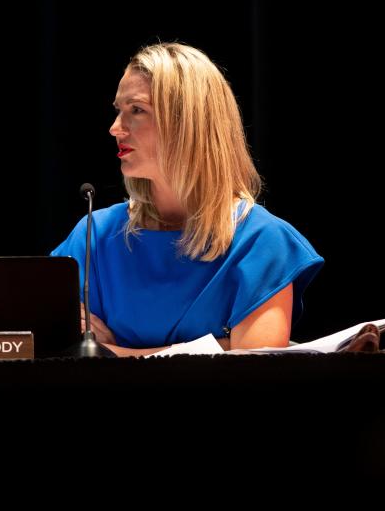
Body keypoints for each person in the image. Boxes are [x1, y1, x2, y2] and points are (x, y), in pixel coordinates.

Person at [51, 42, 324, 357]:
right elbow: (49, 356)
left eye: (136, 110)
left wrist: (115, 353)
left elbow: (253, 379)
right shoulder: (93, 238)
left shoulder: (261, 242)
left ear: (187, 123)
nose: (115, 129)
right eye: (118, 111)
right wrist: (219, 348)